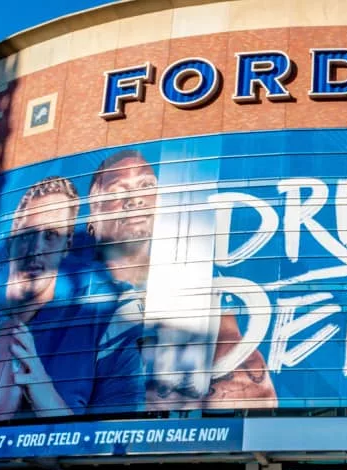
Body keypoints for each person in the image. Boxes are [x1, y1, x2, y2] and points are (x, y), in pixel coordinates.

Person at [87, 150, 275, 410]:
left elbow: (254, 396)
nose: (135, 199)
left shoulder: (198, 280)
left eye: (145, 186)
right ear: (91, 222)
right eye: (117, 192)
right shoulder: (71, 296)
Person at [0, 177, 144, 424]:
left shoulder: (104, 318)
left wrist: (42, 390)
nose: (36, 248)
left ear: (67, 245)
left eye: (51, 235)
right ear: (12, 235)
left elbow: (116, 439)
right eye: (29, 233)